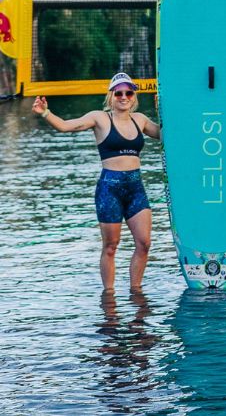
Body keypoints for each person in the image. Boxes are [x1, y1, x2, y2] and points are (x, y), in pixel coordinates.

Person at [32, 72, 160, 293]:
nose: (123, 96)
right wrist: (45, 113)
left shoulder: (140, 120)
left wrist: (165, 108)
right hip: (109, 189)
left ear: (133, 96)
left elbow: (168, 135)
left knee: (144, 243)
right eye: (118, 92)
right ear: (111, 96)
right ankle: (109, 297)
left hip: (136, 188)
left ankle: (136, 291)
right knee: (111, 246)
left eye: (128, 92)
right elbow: (66, 126)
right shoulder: (100, 118)